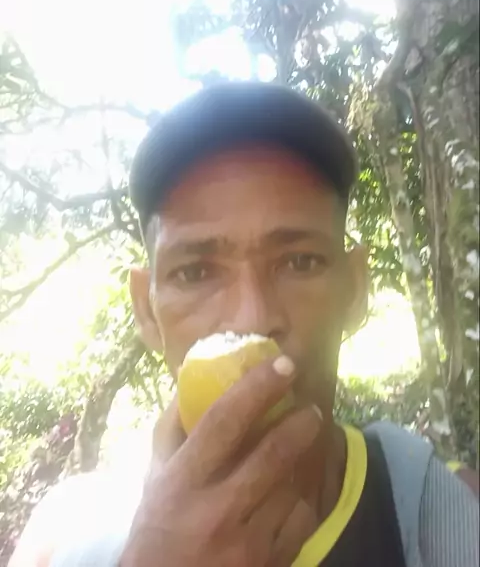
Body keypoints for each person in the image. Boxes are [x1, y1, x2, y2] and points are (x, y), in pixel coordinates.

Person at [9, 81, 479, 567]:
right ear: (146, 311)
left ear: (355, 291)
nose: (252, 320)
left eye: (299, 262)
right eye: (195, 272)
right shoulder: (65, 537)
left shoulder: (448, 516)